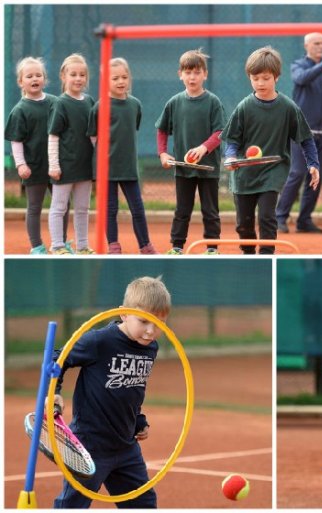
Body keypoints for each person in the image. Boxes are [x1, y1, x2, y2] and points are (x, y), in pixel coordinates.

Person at [52, 276, 172, 508]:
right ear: (124, 314)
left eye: (159, 324)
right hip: (91, 445)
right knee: (72, 505)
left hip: (126, 446)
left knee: (144, 503)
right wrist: (54, 391)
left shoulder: (150, 348)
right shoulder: (99, 342)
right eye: (144, 321)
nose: (150, 331)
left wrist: (138, 420)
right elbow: (58, 358)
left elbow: (134, 386)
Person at [222, 46, 320, 254]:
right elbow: (232, 139)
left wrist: (313, 164)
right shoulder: (244, 107)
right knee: (244, 224)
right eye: (255, 78)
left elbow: (306, 138)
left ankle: (267, 256)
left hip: (272, 171)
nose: (260, 83)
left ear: (276, 77)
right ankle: (248, 255)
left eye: (265, 78)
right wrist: (230, 157)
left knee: (267, 216)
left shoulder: (288, 107)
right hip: (244, 175)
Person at [275, 32, 322, 234]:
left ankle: (304, 220)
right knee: (298, 173)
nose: (321, 46)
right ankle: (279, 217)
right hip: (301, 131)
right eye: (316, 43)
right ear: (307, 46)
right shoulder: (298, 65)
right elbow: (301, 79)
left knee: (315, 176)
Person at [156, 48, 226, 255]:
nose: (192, 77)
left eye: (197, 72)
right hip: (183, 169)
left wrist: (203, 148)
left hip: (208, 167)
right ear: (180, 75)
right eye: (188, 72)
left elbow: (221, 131)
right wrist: (163, 153)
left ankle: (212, 248)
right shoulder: (174, 102)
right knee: (182, 210)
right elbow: (161, 129)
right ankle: (176, 246)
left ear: (205, 74)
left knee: (210, 211)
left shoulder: (213, 102)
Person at [88, 57, 158, 254]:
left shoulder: (135, 105)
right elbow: (93, 136)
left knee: (138, 208)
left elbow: (132, 128)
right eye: (115, 78)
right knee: (110, 210)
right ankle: (113, 245)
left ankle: (145, 245)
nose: (120, 81)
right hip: (107, 169)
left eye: (124, 77)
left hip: (128, 168)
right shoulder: (100, 107)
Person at [4, 56, 67, 254]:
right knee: (34, 207)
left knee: (62, 205)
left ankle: (61, 244)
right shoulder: (20, 110)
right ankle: (37, 246)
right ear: (20, 81)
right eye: (29, 76)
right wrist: (21, 164)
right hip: (34, 166)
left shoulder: (56, 103)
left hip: (57, 164)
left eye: (38, 75)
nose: (34, 79)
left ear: (45, 79)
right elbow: (16, 140)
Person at [47, 53, 96, 255]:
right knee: (59, 207)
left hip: (85, 167)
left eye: (82, 74)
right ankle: (57, 245)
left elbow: (94, 136)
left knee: (83, 209)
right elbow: (53, 136)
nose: (78, 78)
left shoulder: (90, 101)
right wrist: (54, 165)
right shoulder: (60, 103)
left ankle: (82, 245)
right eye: (73, 74)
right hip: (65, 167)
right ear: (63, 76)